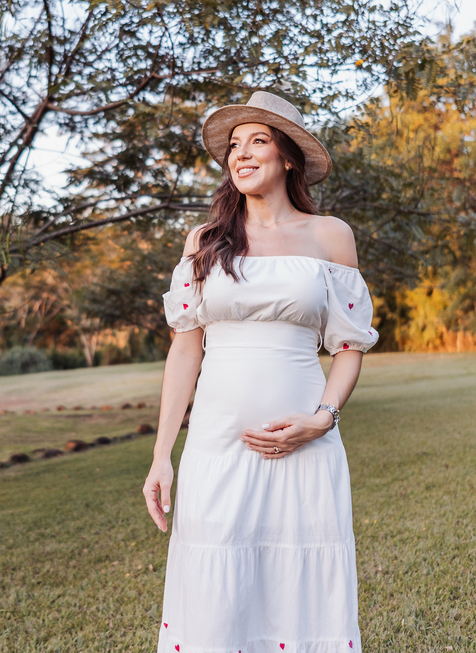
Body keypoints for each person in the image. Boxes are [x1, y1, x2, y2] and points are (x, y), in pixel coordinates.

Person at [143, 91, 378, 652]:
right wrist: (161, 456)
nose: (241, 154)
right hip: (215, 441)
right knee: (215, 584)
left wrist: (322, 420)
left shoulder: (330, 236)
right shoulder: (205, 241)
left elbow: (350, 345)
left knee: (300, 576)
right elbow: (185, 350)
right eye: (233, 146)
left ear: (289, 157)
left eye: (258, 141)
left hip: (305, 437)